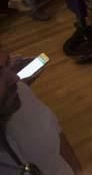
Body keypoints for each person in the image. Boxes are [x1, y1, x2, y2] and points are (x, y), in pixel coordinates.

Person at [0, 45, 83, 174]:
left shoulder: (19, 93)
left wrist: (79, 172)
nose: (15, 78)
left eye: (7, 64)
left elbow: (56, 135)